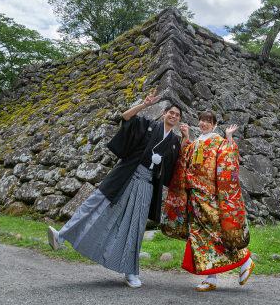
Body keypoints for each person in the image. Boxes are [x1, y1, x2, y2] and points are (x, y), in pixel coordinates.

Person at [47, 90, 189, 288]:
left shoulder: (173, 140)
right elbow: (126, 117)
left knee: (136, 227)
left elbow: (176, 164)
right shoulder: (147, 125)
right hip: (126, 175)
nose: (173, 116)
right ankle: (61, 236)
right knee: (96, 203)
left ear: (179, 120)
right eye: (171, 113)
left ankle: (130, 272)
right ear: (164, 114)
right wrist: (144, 104)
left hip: (146, 185)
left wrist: (184, 138)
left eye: (177, 115)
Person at [161, 110, 254, 291]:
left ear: (214, 125)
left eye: (208, 121)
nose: (204, 124)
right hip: (195, 196)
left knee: (216, 233)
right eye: (202, 120)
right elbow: (185, 158)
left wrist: (229, 138)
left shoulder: (219, 142)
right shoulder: (196, 142)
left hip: (209, 195)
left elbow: (230, 160)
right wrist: (186, 137)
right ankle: (210, 278)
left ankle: (245, 260)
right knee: (199, 236)